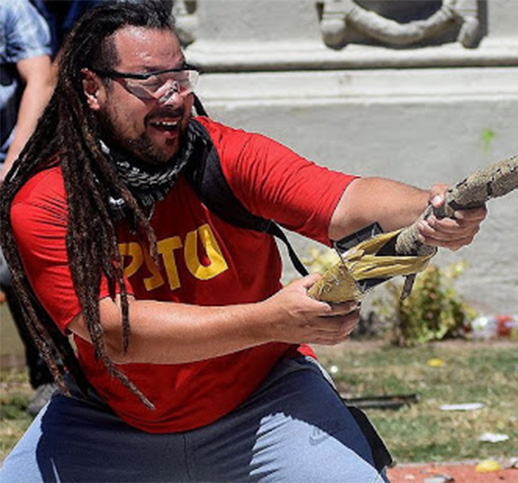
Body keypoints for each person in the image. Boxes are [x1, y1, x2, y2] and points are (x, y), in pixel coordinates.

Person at [0, 1, 486, 481]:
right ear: (93, 89)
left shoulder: (223, 155)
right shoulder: (46, 199)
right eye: (150, 81)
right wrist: (272, 320)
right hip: (107, 422)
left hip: (266, 403)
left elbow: (343, 199)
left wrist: (429, 206)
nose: (173, 97)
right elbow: (113, 332)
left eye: (181, 77)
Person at [0, 0, 61, 416]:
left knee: (12, 266)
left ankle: (52, 375)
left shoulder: (11, 8)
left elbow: (41, 77)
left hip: (9, 161)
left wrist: (14, 162)